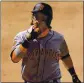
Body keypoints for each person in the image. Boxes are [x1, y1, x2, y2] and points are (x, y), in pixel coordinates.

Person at [10, 2, 81, 83]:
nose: (36, 19)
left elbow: (65, 57)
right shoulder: (21, 36)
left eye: (39, 17)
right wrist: (27, 40)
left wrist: (74, 75)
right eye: (34, 15)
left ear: (48, 19)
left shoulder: (58, 38)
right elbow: (14, 58)